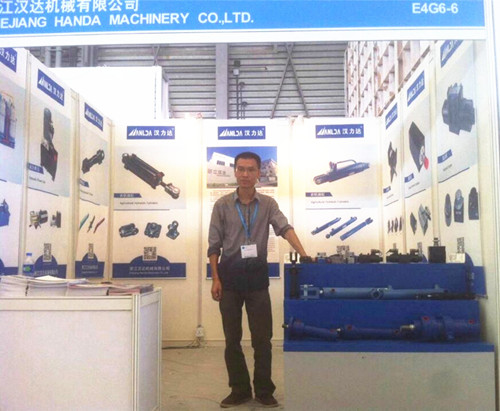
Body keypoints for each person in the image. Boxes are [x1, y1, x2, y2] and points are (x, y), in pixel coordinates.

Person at [207, 151, 309, 408]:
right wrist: (215, 279)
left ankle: (264, 390)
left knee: (262, 339)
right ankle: (239, 390)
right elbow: (214, 246)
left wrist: (304, 253)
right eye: (241, 169)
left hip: (256, 280)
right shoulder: (221, 205)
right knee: (232, 339)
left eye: (250, 170)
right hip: (229, 279)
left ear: (258, 173)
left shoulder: (268, 205)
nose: (245, 174)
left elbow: (285, 228)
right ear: (234, 171)